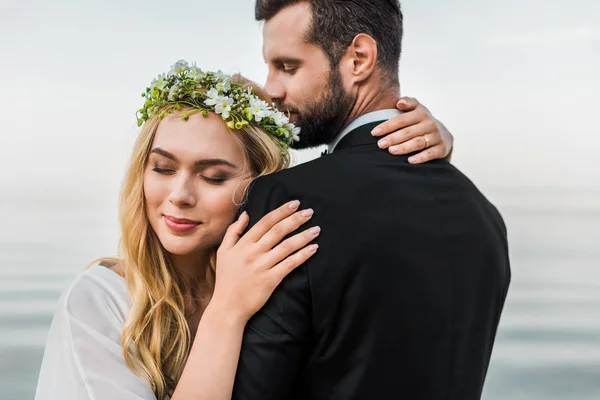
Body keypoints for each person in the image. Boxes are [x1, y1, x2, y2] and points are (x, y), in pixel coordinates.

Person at [34, 61, 456, 399]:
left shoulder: (282, 285)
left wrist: (420, 147)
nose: (179, 194)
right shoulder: (99, 303)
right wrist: (227, 312)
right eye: (162, 168)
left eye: (214, 177)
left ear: (262, 186)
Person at [230, 1, 511, 399]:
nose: (271, 89)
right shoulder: (484, 214)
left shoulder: (286, 200)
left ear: (359, 59)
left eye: (288, 67)